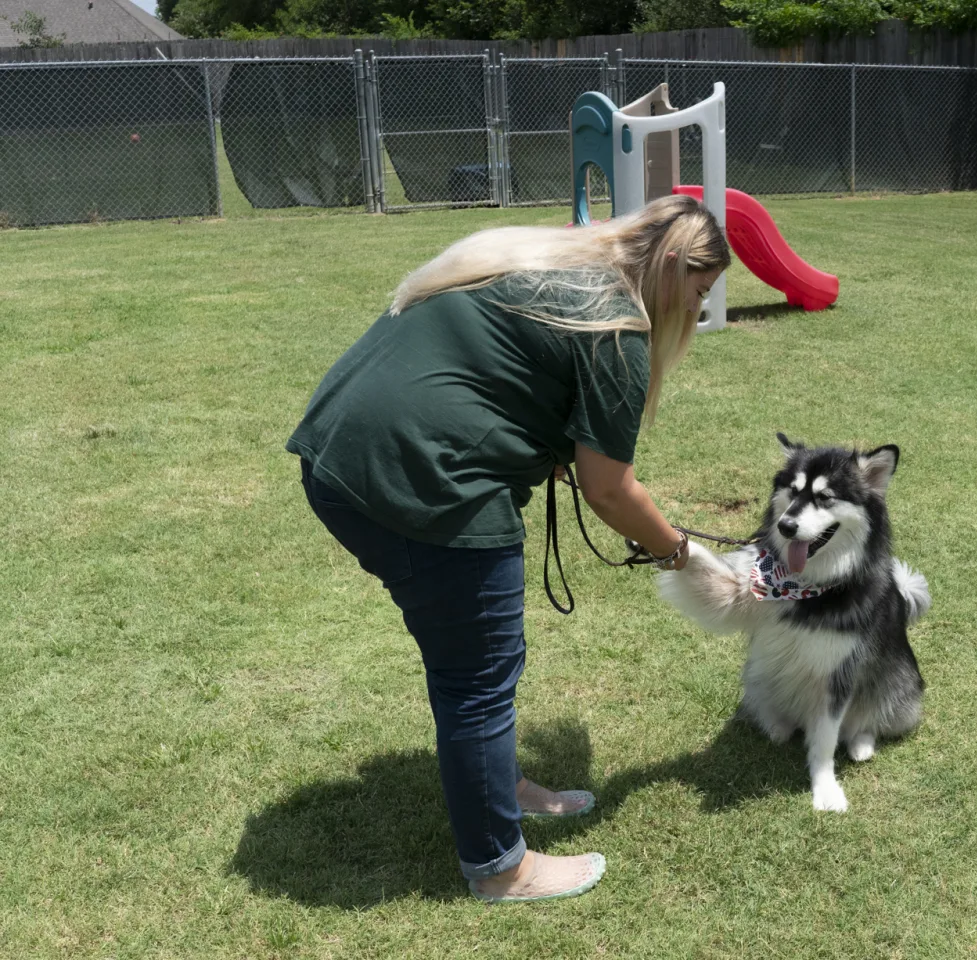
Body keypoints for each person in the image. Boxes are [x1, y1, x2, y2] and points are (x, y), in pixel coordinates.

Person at [285, 195, 732, 903]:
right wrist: (685, 554)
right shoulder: (617, 327)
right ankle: (500, 867)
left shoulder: (540, 260)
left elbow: (503, 375)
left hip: (338, 453)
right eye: (701, 293)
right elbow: (610, 490)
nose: (699, 310)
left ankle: (500, 787)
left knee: (471, 662)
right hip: (423, 479)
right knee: (478, 675)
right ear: (675, 264)